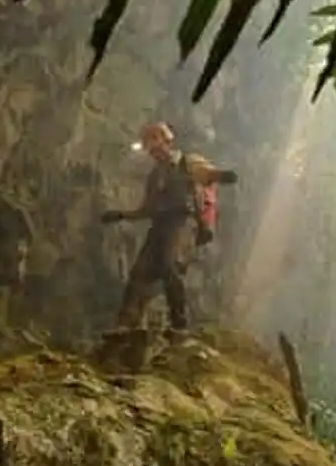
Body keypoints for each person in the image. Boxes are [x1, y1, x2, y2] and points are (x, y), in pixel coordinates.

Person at [101, 121, 238, 335]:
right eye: (148, 143)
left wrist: (221, 175)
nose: (152, 147)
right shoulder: (155, 176)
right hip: (159, 226)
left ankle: (179, 323)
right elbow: (147, 208)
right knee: (139, 273)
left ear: (166, 140)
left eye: (155, 140)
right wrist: (120, 215)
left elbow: (205, 173)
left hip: (183, 223)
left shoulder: (187, 162)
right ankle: (126, 324)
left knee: (169, 264)